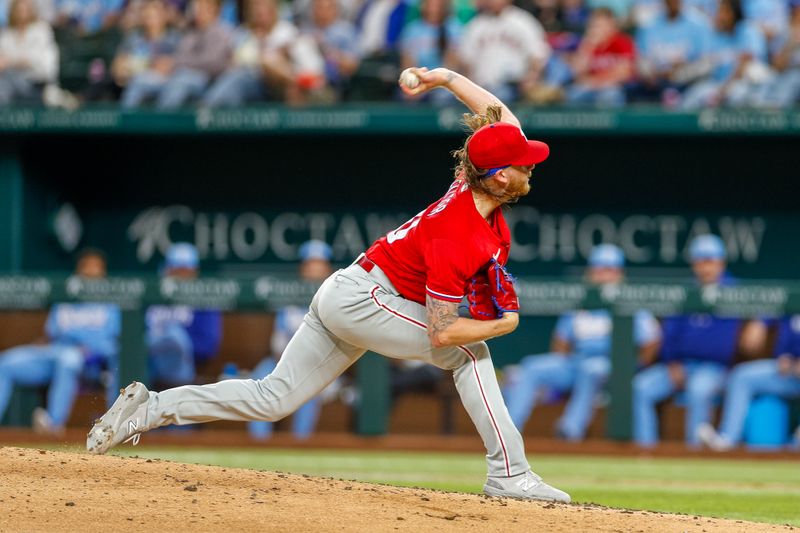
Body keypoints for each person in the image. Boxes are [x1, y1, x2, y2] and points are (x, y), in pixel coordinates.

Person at [87, 66, 571, 503]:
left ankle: (148, 408)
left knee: (272, 398)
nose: (533, 163)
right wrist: (504, 325)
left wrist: (444, 78)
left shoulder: (473, 181)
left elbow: (499, 117)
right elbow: (442, 333)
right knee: (468, 351)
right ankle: (509, 473)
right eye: (523, 161)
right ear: (501, 177)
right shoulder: (458, 233)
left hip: (350, 291)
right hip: (367, 300)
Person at [504, 244, 661, 441]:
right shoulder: (581, 304)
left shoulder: (630, 302)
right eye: (599, 269)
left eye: (609, 270)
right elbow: (560, 343)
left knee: (592, 369)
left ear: (619, 274)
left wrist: (631, 366)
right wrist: (567, 365)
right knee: (532, 366)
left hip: (611, 365)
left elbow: (652, 341)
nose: (603, 276)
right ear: (590, 273)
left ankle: (571, 429)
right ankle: (508, 431)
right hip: (577, 363)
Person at [632, 234, 764, 448]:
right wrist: (671, 362)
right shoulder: (685, 292)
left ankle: (694, 453)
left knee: (698, 389)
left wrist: (760, 322)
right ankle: (646, 451)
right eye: (701, 261)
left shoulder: (735, 290)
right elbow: (669, 333)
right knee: (640, 388)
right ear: (694, 264)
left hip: (716, 369)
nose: (706, 267)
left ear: (721, 262)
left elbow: (770, 302)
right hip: (680, 366)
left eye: (710, 260)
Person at [0, 248, 120, 434]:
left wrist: (81, 342)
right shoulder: (66, 298)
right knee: (5, 363)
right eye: (85, 270)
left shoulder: (111, 303)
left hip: (90, 363)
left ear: (103, 274)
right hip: (55, 352)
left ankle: (53, 425)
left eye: (95, 270)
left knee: (68, 359)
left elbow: (112, 342)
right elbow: (51, 333)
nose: (90, 275)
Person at [248, 240, 337, 440]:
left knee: (308, 386)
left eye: (319, 265)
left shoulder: (335, 296)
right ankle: (258, 444)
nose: (314, 271)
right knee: (260, 378)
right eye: (310, 265)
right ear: (302, 268)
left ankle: (300, 444)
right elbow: (277, 342)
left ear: (328, 269)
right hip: (282, 360)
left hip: (321, 365)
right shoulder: (288, 296)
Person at [698, 316, 800, 451]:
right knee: (741, 376)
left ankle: (795, 445)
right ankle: (727, 439)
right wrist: (761, 321)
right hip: (788, 372)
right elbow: (774, 304)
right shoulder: (792, 299)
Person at [121, 0, 231, 109]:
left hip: (206, 81)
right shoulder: (190, 33)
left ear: (215, 10)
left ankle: (162, 123)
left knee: (179, 82)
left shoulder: (222, 32)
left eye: (204, 7)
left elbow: (212, 63)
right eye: (197, 7)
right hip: (175, 75)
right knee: (140, 81)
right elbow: (179, 56)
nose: (198, 11)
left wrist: (175, 63)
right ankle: (123, 122)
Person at [146, 242, 223, 388]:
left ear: (195, 272)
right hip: (147, 361)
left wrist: (173, 346)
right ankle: (118, 408)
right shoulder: (152, 294)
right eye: (176, 271)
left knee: (175, 336)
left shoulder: (203, 299)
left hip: (183, 366)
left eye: (186, 271)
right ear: (167, 270)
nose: (181, 277)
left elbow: (208, 346)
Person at [680, 0, 769, 109]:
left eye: (723, 11)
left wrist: (724, 90)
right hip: (718, 84)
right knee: (694, 95)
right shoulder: (717, 35)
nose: (719, 15)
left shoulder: (747, 30)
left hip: (746, 85)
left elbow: (744, 66)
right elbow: (707, 64)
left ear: (733, 13)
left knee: (737, 96)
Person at [458, 0, 550, 102]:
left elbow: (538, 55)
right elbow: (465, 61)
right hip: (482, 87)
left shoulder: (523, 21)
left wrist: (531, 79)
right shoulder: (476, 25)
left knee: (502, 94)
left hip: (513, 87)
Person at [629, 0, 712, 104]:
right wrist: (651, 74)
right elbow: (640, 61)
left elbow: (706, 64)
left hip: (688, 85)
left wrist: (679, 74)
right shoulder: (648, 26)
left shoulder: (698, 24)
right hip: (655, 84)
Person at [565, 7, 635, 106]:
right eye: (593, 25)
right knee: (572, 94)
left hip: (614, 87)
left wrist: (595, 82)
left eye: (600, 25)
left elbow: (624, 73)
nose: (596, 29)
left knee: (610, 95)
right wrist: (587, 46)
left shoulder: (622, 42)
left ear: (611, 25)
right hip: (591, 88)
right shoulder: (588, 44)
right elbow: (577, 73)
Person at [0, 0, 58, 105]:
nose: (22, 13)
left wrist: (12, 61)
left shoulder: (41, 30)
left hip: (36, 82)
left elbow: (38, 62)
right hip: (10, 79)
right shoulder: (7, 33)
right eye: (18, 10)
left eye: (25, 10)